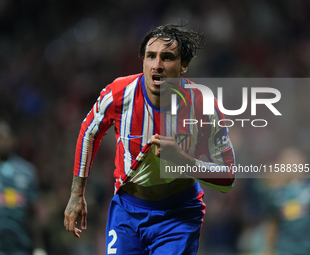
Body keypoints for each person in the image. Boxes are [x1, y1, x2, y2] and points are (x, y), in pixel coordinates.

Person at [64, 23, 236, 254]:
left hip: (178, 216)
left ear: (183, 66)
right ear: (143, 62)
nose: (157, 65)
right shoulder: (118, 93)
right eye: (151, 56)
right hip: (127, 212)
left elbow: (228, 176)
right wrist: (77, 194)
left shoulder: (203, 104)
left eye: (167, 58)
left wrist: (182, 160)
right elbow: (88, 134)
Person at [0, 120, 47, 255]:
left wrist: (39, 247)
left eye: (6, 138)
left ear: (13, 140)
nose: (2, 142)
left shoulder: (27, 171)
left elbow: (33, 214)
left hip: (21, 247)